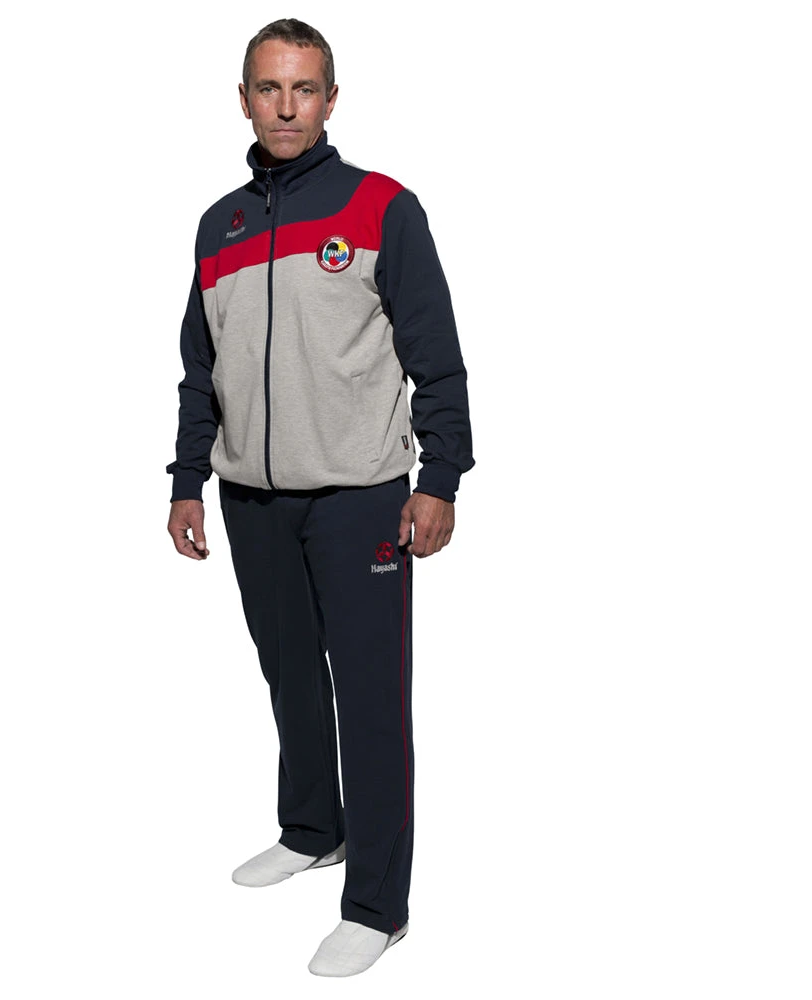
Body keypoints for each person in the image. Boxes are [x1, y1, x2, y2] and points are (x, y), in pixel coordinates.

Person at [166, 18, 474, 977]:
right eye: (269, 88)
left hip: (359, 499)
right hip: (252, 498)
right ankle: (312, 828)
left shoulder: (381, 207)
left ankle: (378, 905)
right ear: (244, 99)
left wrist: (440, 479)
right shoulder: (218, 226)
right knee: (290, 675)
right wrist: (187, 479)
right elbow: (200, 369)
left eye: (304, 88)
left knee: (372, 700)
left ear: (331, 99)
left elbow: (436, 355)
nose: (287, 106)